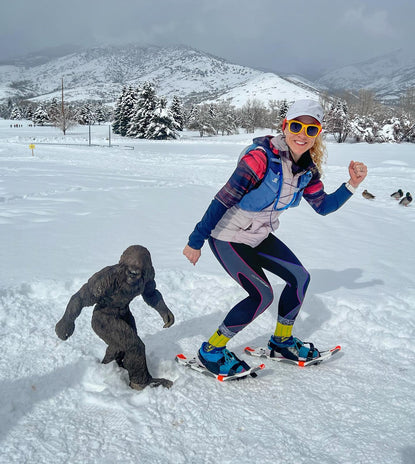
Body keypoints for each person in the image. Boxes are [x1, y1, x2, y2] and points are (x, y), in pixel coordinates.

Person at [183, 99, 367, 377]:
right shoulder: (259, 159)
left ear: (318, 134)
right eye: (296, 126)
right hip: (227, 235)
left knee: (300, 278)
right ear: (284, 127)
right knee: (261, 295)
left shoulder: (307, 169)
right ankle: (210, 351)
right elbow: (222, 200)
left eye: (311, 129)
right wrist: (196, 240)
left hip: (259, 234)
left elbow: (323, 206)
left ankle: (281, 342)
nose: (302, 134)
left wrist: (352, 184)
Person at [55, 245, 175, 390]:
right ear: (123, 265)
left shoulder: (147, 276)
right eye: (130, 271)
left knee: (123, 345)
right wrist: (67, 321)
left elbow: (150, 293)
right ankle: (140, 382)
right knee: (135, 346)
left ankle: (109, 367)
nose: (133, 275)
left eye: (137, 272)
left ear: (145, 270)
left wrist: (163, 310)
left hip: (123, 313)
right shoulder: (108, 277)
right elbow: (80, 298)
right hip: (103, 317)